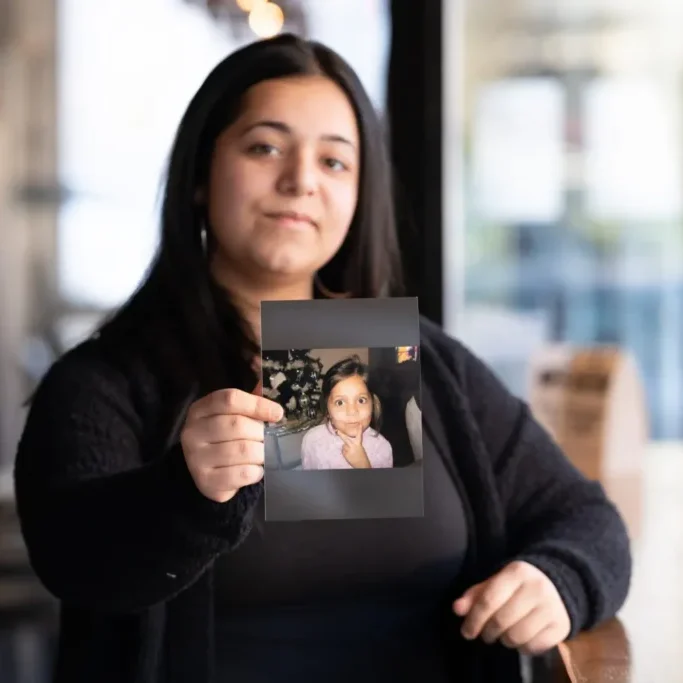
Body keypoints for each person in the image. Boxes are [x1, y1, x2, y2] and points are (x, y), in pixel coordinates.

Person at [13, 33, 631, 683]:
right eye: (265, 147)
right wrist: (183, 490)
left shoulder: (420, 363)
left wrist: (557, 579)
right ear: (200, 176)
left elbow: (585, 517)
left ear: (361, 192)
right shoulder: (105, 384)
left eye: (334, 162)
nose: (300, 180)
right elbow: (74, 563)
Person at [300, 355, 393, 470]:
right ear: (327, 409)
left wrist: (364, 466)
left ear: (373, 404)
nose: (352, 411)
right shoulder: (312, 440)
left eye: (361, 400)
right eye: (340, 402)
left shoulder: (382, 448)